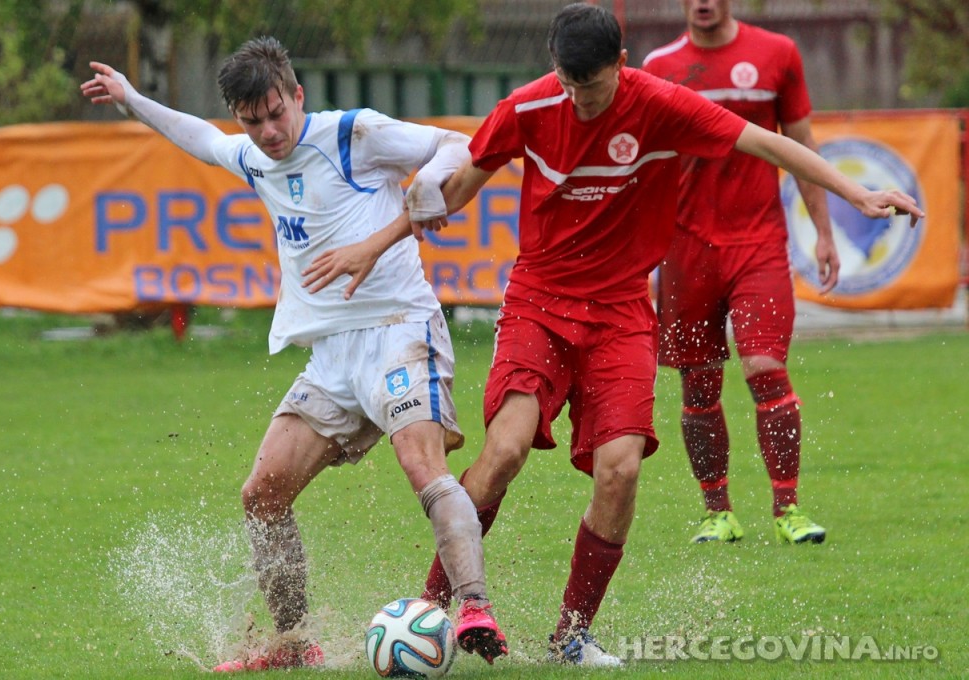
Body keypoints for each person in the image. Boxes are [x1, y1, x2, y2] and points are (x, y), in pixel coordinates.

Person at [301, 2, 922, 667]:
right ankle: (434, 605)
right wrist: (378, 242)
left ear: (620, 67)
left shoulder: (662, 104)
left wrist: (856, 196)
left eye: (591, 87)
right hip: (539, 302)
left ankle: (571, 635)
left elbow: (768, 142)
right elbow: (455, 191)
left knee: (620, 469)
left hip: (623, 312)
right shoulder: (529, 108)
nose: (579, 99)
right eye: (568, 84)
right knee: (505, 450)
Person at [80, 36, 508, 672]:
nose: (269, 131)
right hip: (331, 359)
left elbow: (456, 147)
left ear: (297, 95)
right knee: (262, 493)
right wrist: (132, 98)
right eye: (252, 122)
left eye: (277, 113)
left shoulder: (352, 134)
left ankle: (473, 606)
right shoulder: (254, 157)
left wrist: (416, 206)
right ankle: (293, 642)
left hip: (398, 329)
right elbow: (199, 137)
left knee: (420, 464)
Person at [642, 0, 839, 545]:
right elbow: (644, 166)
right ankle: (717, 512)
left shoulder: (777, 54)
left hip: (758, 242)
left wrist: (823, 231)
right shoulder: (659, 67)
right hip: (685, 249)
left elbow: (801, 146)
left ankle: (789, 509)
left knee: (764, 367)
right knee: (698, 383)